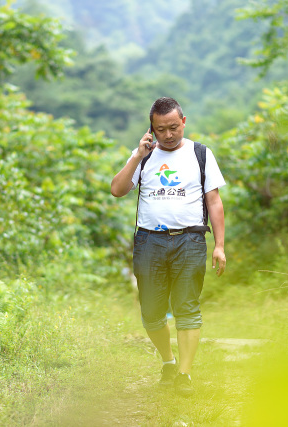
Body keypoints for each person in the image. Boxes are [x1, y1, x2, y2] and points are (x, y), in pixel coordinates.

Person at [111, 97, 226, 396]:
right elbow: (117, 190)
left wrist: (219, 245)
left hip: (190, 240)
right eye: (160, 129)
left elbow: (214, 201)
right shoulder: (143, 156)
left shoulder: (201, 154)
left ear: (183, 122)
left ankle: (184, 375)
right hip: (149, 241)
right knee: (151, 312)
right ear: (151, 129)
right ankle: (168, 361)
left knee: (187, 307)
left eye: (173, 127)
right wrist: (137, 156)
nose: (168, 134)